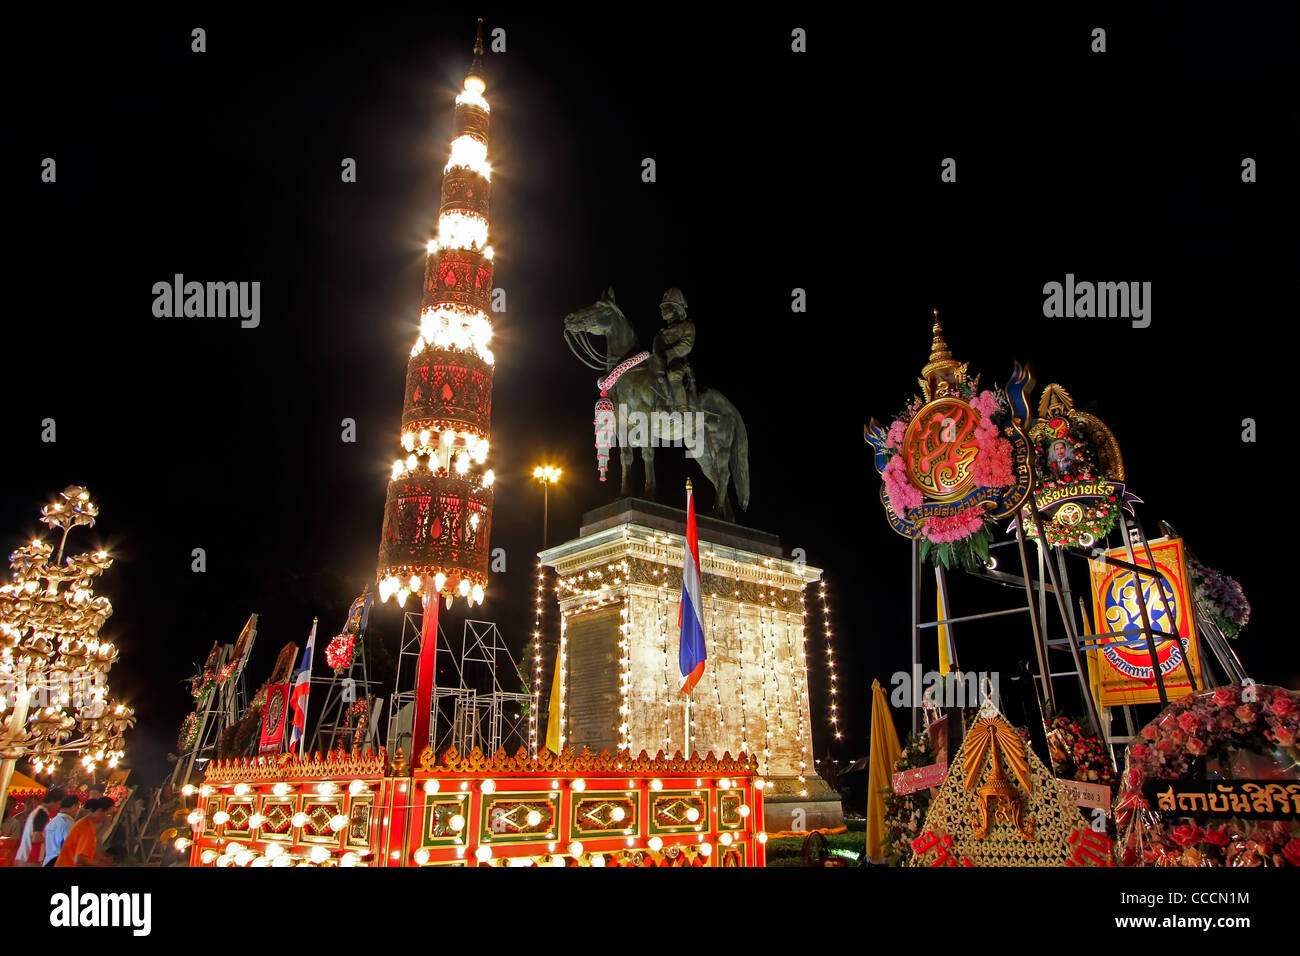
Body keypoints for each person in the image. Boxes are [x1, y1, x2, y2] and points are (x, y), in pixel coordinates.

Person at [55, 797, 114, 867]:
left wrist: (101, 857)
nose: (106, 817)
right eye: (108, 814)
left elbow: (83, 851)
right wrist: (103, 865)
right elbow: (80, 859)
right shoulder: (86, 827)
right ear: (99, 810)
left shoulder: (87, 824)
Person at [16, 787, 66, 867]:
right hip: (31, 858)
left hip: (26, 857)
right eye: (59, 804)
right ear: (53, 801)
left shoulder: (38, 811)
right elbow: (36, 837)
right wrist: (52, 837)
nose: (58, 807)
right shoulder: (42, 813)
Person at [43, 794, 82, 867]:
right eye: (78, 808)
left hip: (48, 861)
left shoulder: (52, 821)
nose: (77, 811)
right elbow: (70, 846)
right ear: (73, 807)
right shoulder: (68, 823)